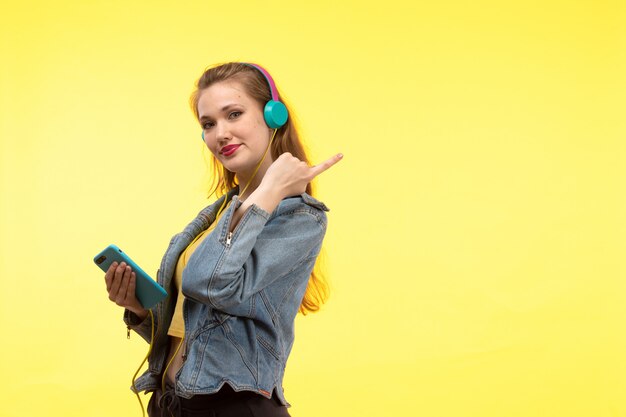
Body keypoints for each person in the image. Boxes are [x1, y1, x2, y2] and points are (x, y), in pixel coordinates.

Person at [103, 62, 342, 417]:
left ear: (273, 116)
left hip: (234, 408)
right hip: (171, 405)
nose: (221, 134)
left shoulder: (300, 218)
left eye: (234, 114)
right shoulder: (218, 214)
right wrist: (140, 309)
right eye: (209, 124)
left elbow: (208, 283)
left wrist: (271, 189)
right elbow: (192, 327)